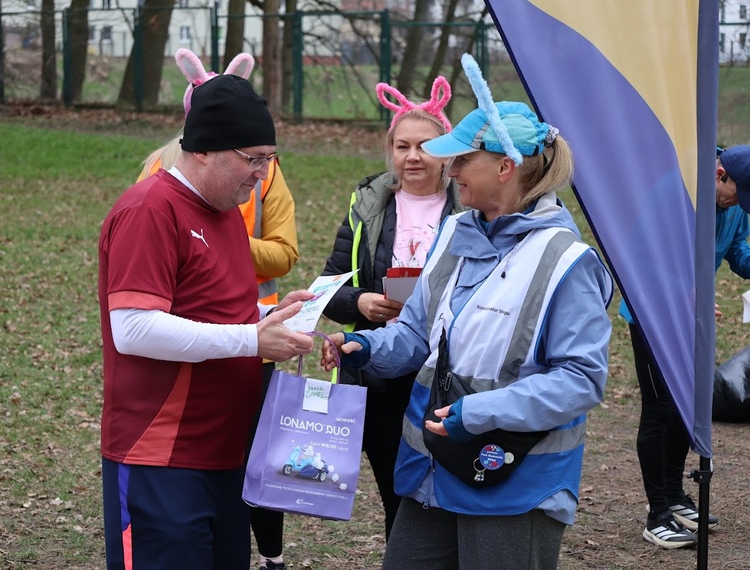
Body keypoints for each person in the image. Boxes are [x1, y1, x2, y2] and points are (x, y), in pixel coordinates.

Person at [320, 54, 613, 569]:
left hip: (515, 483)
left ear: (506, 167)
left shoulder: (567, 262)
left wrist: (477, 413)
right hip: (432, 469)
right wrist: (363, 345)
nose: (448, 170)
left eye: (461, 160)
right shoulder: (456, 232)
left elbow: (581, 381)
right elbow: (415, 333)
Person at [98, 73, 314, 570]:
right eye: (253, 158)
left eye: (269, 158)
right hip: (161, 456)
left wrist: (273, 319)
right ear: (202, 149)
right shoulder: (149, 209)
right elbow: (132, 328)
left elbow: (217, 311)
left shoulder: (225, 212)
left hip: (225, 453)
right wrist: (249, 336)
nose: (262, 174)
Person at [318, 75, 464, 539]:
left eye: (426, 146)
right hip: (380, 374)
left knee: (450, 490)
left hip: (451, 373)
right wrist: (360, 300)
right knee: (397, 494)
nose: (413, 156)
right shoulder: (368, 206)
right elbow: (327, 287)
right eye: (403, 146)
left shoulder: (470, 207)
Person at [619, 144, 750, 549]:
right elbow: (644, 254)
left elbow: (738, 254)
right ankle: (656, 513)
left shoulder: (735, 206)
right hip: (653, 311)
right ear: (718, 175)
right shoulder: (674, 193)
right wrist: (687, 291)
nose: (738, 205)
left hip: (692, 318)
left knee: (687, 404)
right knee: (659, 409)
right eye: (738, 195)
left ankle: (675, 497)